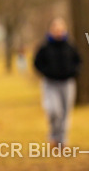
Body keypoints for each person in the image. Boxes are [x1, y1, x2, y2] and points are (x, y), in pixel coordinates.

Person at [33, 17, 81, 146]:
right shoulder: (44, 47)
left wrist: (73, 72)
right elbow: (37, 63)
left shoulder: (70, 46)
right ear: (51, 30)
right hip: (50, 83)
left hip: (67, 83)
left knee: (65, 112)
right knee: (54, 110)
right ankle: (53, 135)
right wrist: (46, 72)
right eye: (55, 28)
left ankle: (62, 140)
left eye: (60, 28)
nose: (58, 31)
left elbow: (78, 61)